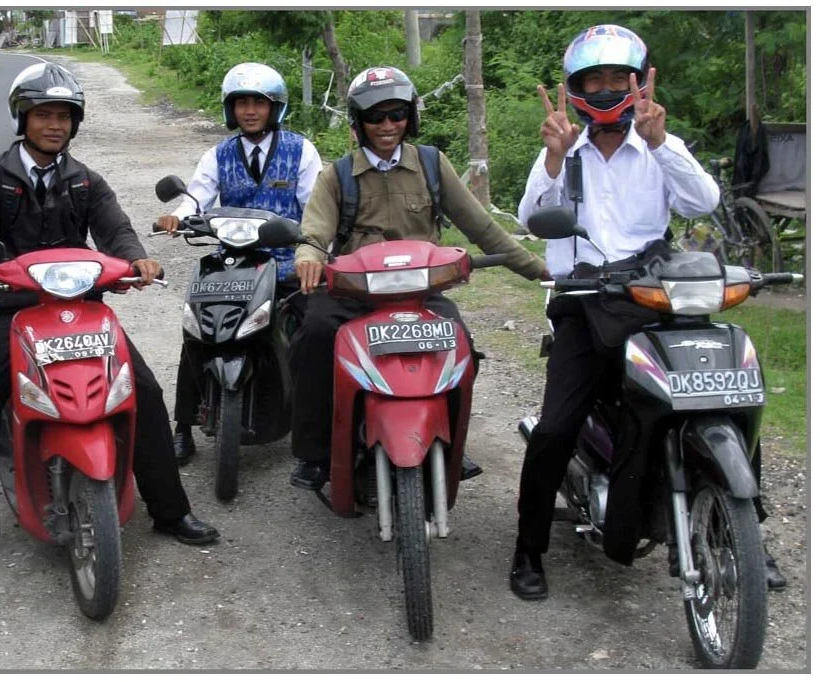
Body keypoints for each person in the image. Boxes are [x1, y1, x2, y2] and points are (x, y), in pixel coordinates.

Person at [510, 24, 786, 600]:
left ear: (639, 82)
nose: (608, 88)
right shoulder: (564, 150)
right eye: (595, 80)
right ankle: (528, 548)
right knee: (556, 427)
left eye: (619, 77)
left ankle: (746, 532)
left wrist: (660, 144)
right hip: (585, 303)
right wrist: (554, 158)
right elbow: (532, 217)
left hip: (656, 297)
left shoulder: (659, 144)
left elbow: (703, 202)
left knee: (722, 389)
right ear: (577, 88)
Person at [0, 63, 220, 578]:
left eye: (63, 116)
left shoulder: (84, 180)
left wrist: (137, 260)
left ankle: (171, 511)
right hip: (11, 309)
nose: (54, 125)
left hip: (81, 309)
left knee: (144, 393)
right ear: (23, 118)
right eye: (43, 115)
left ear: (74, 123)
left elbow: (116, 229)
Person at [288, 65, 549, 491]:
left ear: (409, 116)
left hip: (419, 294)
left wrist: (537, 269)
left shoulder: (432, 164)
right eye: (375, 116)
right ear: (359, 122)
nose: (387, 125)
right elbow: (315, 231)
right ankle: (315, 454)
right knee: (314, 335)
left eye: (397, 114)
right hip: (355, 293)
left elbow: (482, 226)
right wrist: (309, 257)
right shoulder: (337, 175)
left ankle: (448, 438)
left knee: (461, 348)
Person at [155, 62, 323, 466]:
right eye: (241, 103)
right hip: (232, 262)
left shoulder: (301, 150)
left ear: (274, 107)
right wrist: (177, 217)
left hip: (286, 264)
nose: (250, 111)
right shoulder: (219, 154)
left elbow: (315, 207)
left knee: (315, 333)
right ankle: (183, 427)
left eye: (258, 103)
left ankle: (314, 434)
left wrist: (313, 247)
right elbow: (197, 197)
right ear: (230, 109)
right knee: (197, 328)